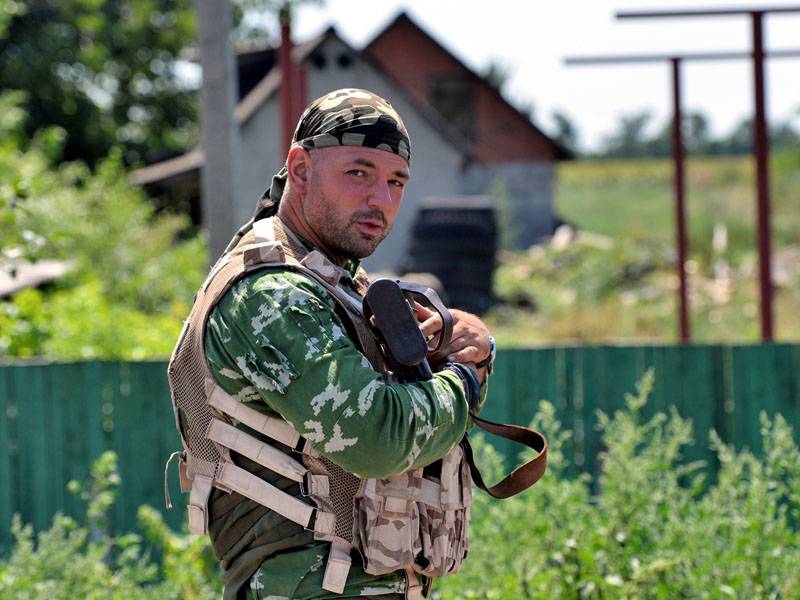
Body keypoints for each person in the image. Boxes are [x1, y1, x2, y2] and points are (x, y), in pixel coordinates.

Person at [167, 88, 495, 600]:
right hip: (312, 581)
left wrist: (453, 347)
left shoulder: (334, 286)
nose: (380, 200)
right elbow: (377, 437)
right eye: (358, 173)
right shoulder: (273, 294)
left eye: (396, 181)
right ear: (299, 170)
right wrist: (466, 380)